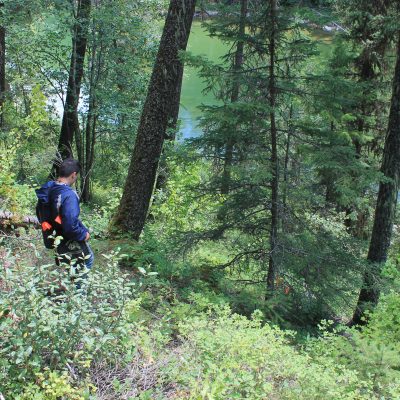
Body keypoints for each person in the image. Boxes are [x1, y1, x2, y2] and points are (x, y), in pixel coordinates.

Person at [36, 158, 94, 286]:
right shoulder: (68, 195)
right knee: (86, 262)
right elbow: (70, 226)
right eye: (76, 176)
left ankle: (69, 294)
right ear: (73, 174)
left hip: (55, 239)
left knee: (70, 268)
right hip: (68, 239)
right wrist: (83, 234)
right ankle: (77, 300)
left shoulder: (48, 189)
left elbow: (40, 213)